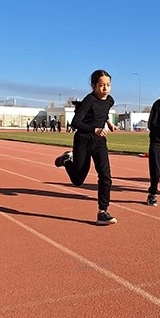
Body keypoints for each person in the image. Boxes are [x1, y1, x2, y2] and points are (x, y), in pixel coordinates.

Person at [54, 69, 118, 225]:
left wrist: (108, 122)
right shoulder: (89, 100)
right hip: (83, 140)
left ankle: (103, 211)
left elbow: (103, 112)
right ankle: (67, 160)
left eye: (108, 85)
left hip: (99, 141)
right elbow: (76, 122)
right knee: (77, 180)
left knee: (105, 175)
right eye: (101, 85)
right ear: (93, 86)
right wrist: (94, 128)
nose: (105, 89)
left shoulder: (110, 101)